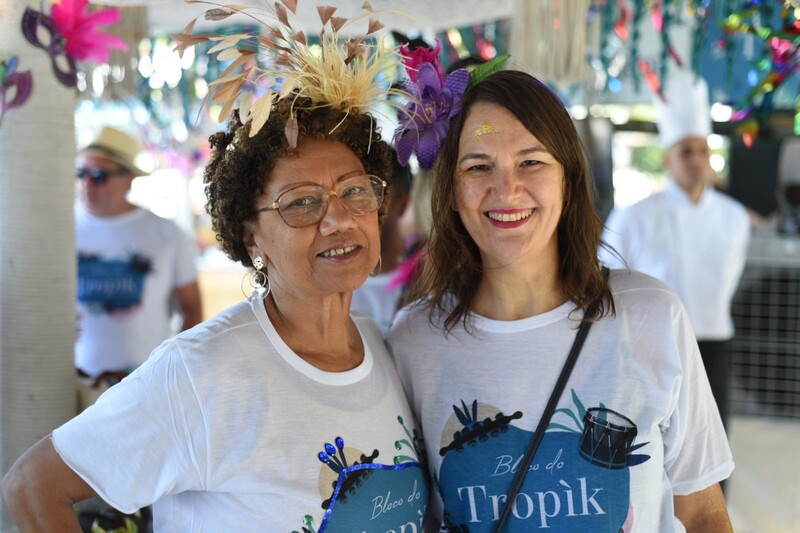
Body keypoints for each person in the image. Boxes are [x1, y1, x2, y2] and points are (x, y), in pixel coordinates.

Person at [1, 6, 429, 530]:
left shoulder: (382, 348)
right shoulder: (202, 373)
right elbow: (33, 489)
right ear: (252, 237)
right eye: (301, 202)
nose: (339, 219)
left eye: (356, 191)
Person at [388, 68, 734, 531]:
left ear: (567, 181)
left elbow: (703, 513)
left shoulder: (652, 316)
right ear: (451, 191)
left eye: (531, 162)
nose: (507, 189)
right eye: (478, 167)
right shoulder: (414, 342)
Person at [600, 69, 751, 433]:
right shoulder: (634, 215)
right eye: (686, 151)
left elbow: (731, 275)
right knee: (654, 436)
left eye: (703, 151)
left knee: (712, 433)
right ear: (667, 158)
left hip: (713, 338)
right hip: (650, 342)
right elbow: (606, 276)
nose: (696, 159)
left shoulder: (734, 216)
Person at [73, 125, 203, 410]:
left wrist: (171, 371)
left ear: (129, 179)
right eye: (80, 173)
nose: (87, 184)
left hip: (144, 386)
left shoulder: (167, 234)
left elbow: (192, 310)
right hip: (70, 385)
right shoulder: (60, 230)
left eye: (99, 176)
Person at [350, 156, 414, 332]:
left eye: (377, 197)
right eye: (352, 195)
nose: (361, 211)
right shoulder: (333, 281)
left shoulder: (427, 278)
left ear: (402, 205)